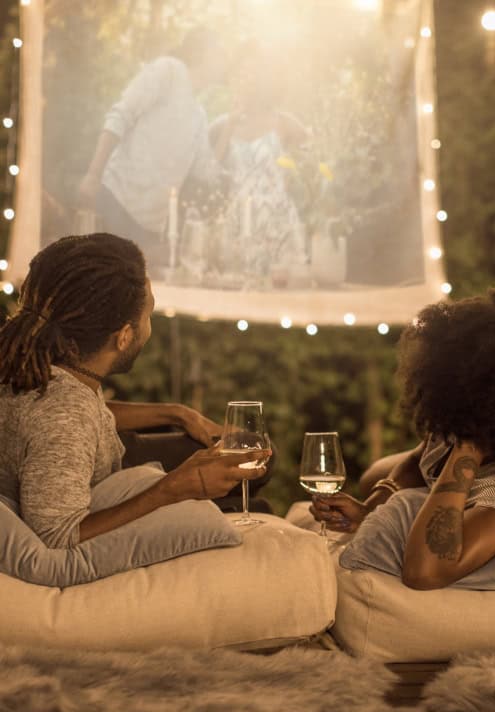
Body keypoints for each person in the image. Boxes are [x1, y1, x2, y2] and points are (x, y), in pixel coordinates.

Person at [0, 233, 270, 549]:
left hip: (102, 459)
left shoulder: (41, 364)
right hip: (97, 483)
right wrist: (176, 487)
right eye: (149, 313)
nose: (149, 325)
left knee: (256, 452)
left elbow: (74, 418)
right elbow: (57, 536)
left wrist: (177, 413)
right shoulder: (64, 414)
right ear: (124, 336)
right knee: (257, 477)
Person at [310, 287, 495, 589]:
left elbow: (424, 573)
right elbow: (420, 457)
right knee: (372, 475)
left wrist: (470, 446)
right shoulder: (460, 413)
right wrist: (371, 506)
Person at [78, 28, 224, 270]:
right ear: (204, 52)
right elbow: (120, 116)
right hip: (116, 202)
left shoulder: (199, 115)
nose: (224, 61)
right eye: (220, 52)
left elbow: (206, 172)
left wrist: (227, 130)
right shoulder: (168, 70)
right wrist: (93, 175)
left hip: (150, 230)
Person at [209, 41, 308, 285]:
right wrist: (231, 122)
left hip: (279, 223)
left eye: (252, 74)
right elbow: (210, 173)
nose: (246, 80)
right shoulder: (222, 125)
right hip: (239, 224)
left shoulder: (284, 123)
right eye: (241, 74)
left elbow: (315, 171)